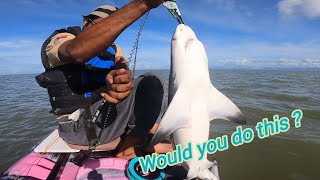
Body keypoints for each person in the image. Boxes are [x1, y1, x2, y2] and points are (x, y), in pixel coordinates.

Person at [36, 0, 172, 160]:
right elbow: (75, 51)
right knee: (151, 80)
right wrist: (143, 3)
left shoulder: (115, 50)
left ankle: (152, 131)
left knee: (146, 84)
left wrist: (123, 80)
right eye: (102, 26)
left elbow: (123, 68)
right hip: (79, 128)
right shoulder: (62, 38)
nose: (107, 34)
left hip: (107, 117)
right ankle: (129, 149)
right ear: (86, 21)